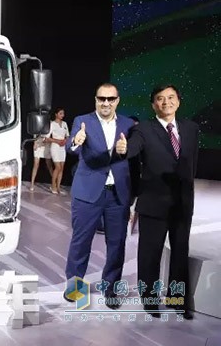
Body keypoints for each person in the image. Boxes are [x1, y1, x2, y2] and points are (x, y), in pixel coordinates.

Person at [116, 85, 199, 319]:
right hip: (154, 202)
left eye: (171, 98)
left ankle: (177, 299)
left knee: (180, 252)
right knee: (150, 254)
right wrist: (123, 149)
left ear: (178, 101)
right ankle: (150, 300)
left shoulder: (191, 128)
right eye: (160, 99)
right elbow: (132, 148)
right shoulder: (143, 129)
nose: (166, 102)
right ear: (153, 104)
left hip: (182, 202)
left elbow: (192, 163)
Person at [63, 83, 134, 309]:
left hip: (117, 194)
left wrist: (126, 150)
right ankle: (74, 288)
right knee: (80, 242)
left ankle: (110, 289)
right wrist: (76, 141)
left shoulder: (128, 124)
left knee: (116, 245)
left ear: (117, 100)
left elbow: (134, 156)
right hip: (87, 192)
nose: (105, 103)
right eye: (101, 98)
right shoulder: (82, 121)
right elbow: (70, 146)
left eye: (110, 99)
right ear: (95, 100)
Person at [45, 107, 69, 194]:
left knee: (61, 168)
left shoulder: (65, 124)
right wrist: (57, 141)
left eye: (63, 113)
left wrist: (65, 140)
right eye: (60, 113)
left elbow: (68, 135)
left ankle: (58, 187)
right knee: (57, 167)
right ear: (56, 114)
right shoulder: (52, 124)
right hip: (55, 146)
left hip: (62, 147)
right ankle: (53, 186)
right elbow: (47, 138)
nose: (62, 115)